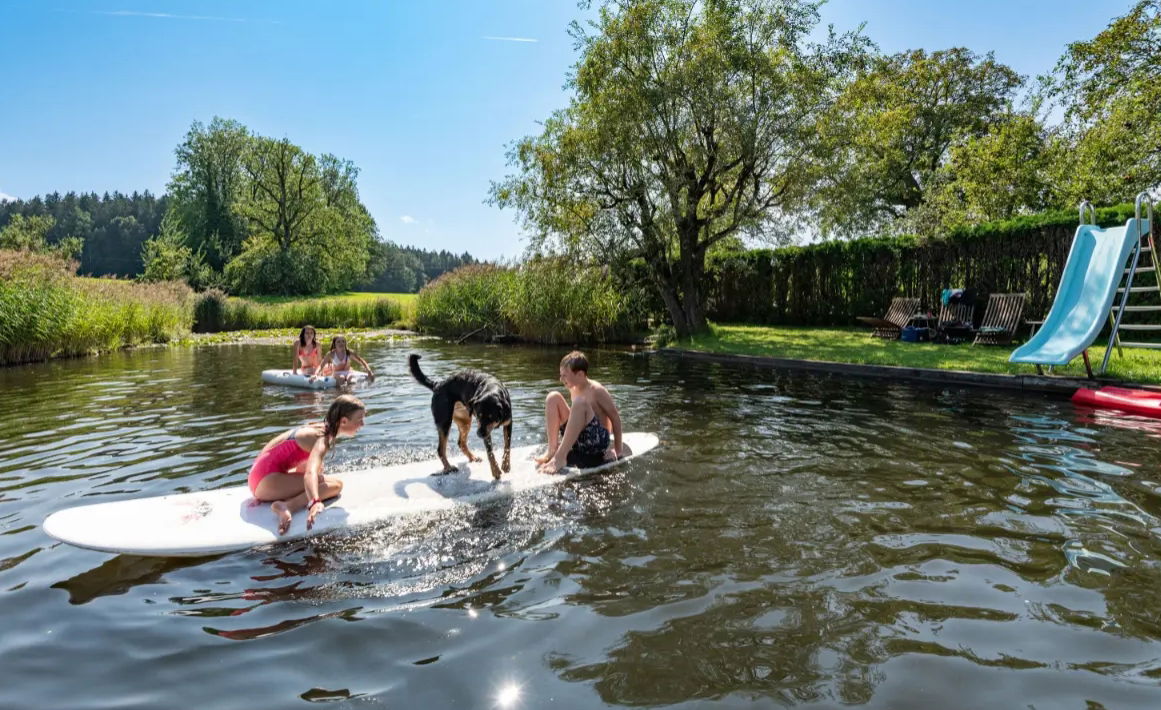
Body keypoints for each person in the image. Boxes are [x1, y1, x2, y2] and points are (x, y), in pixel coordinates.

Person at [247, 395, 366, 535]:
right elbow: (310, 473)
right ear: (344, 421)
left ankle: (274, 494)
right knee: (335, 485)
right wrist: (314, 502)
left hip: (258, 478)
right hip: (264, 482)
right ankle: (286, 506)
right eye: (360, 419)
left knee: (320, 474)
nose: (363, 424)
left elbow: (274, 452)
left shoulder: (317, 428)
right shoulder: (322, 439)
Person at [536, 351, 631, 474]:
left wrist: (617, 450)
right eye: (561, 375)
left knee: (579, 403)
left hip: (596, 441)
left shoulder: (597, 390)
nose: (561, 379)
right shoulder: (573, 388)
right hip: (581, 439)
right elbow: (576, 419)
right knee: (552, 397)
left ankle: (560, 458)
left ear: (580, 374)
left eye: (565, 375)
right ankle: (552, 450)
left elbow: (615, 418)